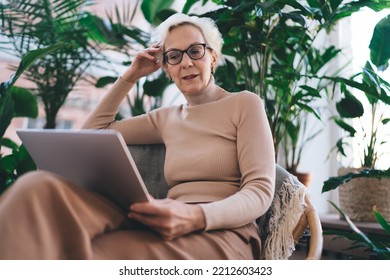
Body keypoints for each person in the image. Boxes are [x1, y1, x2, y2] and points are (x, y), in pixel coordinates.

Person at [0, 13, 275, 260]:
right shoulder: (165, 118)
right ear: (166, 68)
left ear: (213, 56)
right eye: (174, 56)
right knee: (37, 187)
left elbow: (260, 191)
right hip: (167, 219)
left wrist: (196, 216)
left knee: (94, 255)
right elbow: (94, 133)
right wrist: (131, 76)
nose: (187, 63)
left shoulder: (245, 104)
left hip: (224, 234)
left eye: (195, 51)